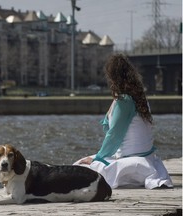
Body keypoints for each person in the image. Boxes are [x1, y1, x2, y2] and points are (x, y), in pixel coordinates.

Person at [73, 54, 173, 189]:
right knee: (85, 163)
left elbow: (114, 135)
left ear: (112, 77)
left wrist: (97, 159)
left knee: (79, 166)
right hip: (146, 159)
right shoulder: (138, 98)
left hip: (132, 163)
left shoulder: (124, 101)